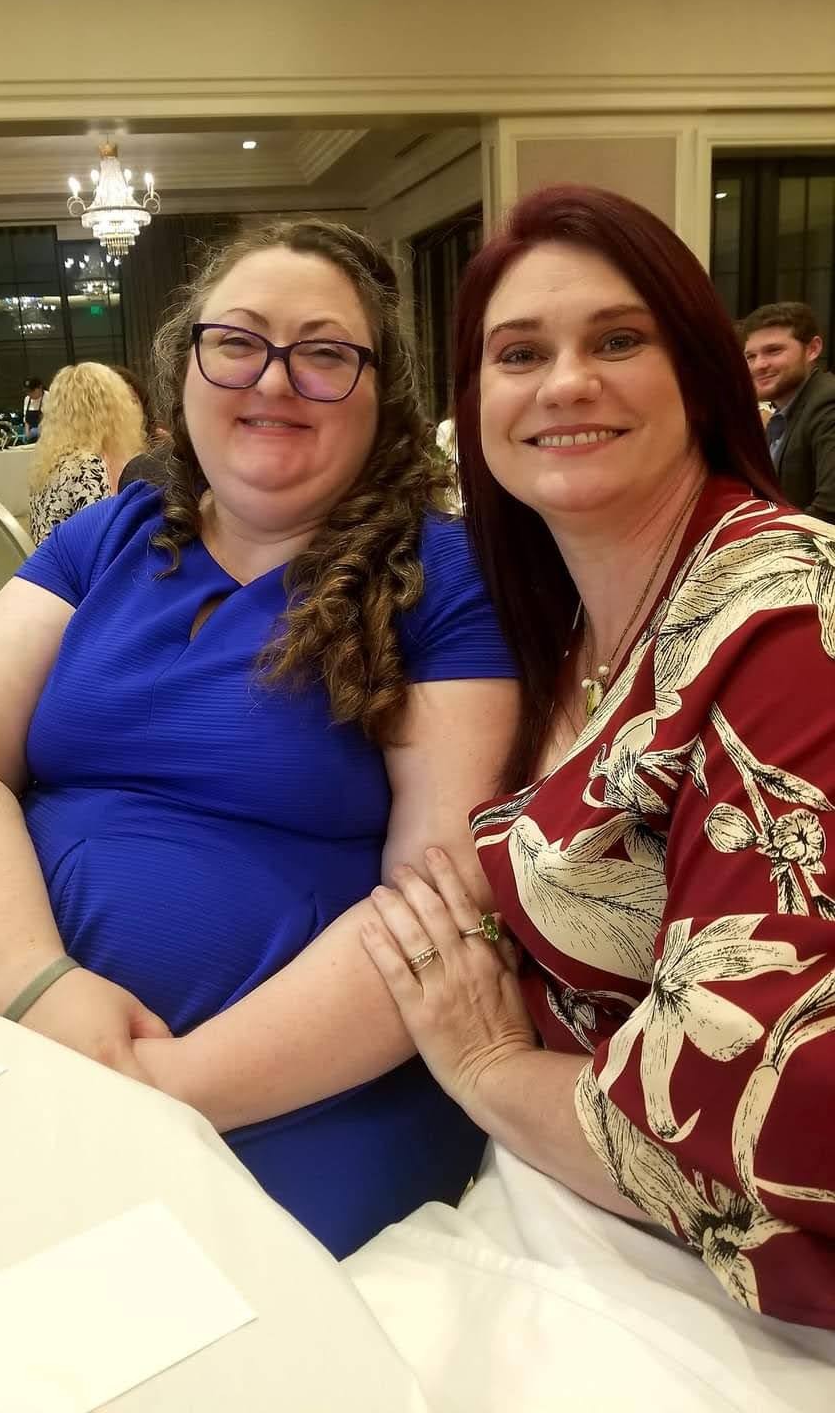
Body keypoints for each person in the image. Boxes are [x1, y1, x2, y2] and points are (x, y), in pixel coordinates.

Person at [0, 218, 519, 1257]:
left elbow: (440, 905)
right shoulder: (107, 538)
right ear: (184, 366)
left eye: (324, 353)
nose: (273, 379)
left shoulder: (443, 578)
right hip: (16, 1025)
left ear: (385, 394)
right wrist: (36, 984)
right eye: (237, 342)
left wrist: (162, 1086)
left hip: (287, 1097)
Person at [339, 185, 835, 1380]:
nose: (565, 382)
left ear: (700, 374)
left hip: (741, 1298)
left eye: (618, 340)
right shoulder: (567, 616)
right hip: (562, 1195)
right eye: (519, 354)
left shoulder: (787, 618)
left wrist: (489, 1069)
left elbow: (779, 1119)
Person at [26, 362, 144, 544]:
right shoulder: (87, 466)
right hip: (76, 562)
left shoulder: (49, 463)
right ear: (111, 412)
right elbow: (102, 542)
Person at [742, 302, 835, 522]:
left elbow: (829, 511)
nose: (759, 365)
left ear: (812, 349)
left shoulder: (828, 402)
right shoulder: (782, 412)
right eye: (751, 356)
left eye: (773, 351)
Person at [111, 363, 168, 491]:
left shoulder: (161, 440)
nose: (127, 408)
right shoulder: (96, 456)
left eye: (132, 400)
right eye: (119, 401)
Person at [22, 376, 46, 442]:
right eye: (27, 392)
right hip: (31, 435)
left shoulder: (49, 397)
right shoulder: (27, 399)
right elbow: (26, 419)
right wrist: (27, 432)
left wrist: (38, 431)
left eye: (32, 391)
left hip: (45, 434)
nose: (30, 394)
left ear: (40, 387)